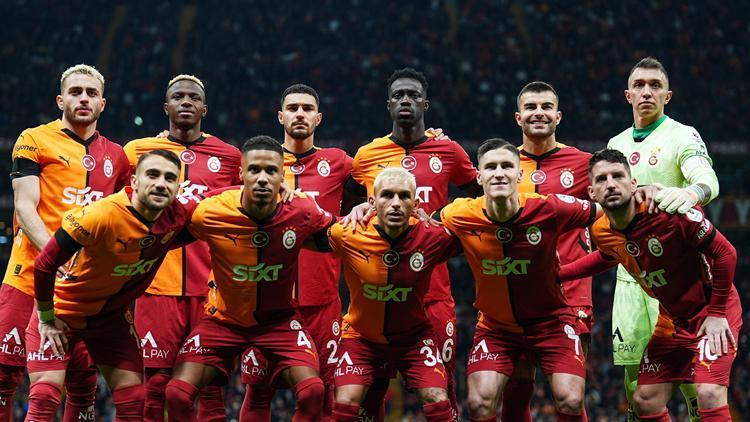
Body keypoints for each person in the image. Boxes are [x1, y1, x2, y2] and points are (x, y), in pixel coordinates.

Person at [165, 136, 335, 422]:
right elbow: (163, 236)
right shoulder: (211, 211)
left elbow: (341, 234)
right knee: (176, 394)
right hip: (222, 321)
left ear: (282, 177)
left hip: (279, 321)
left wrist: (362, 211)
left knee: (313, 391)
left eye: (271, 171)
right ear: (241, 173)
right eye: (254, 170)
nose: (262, 178)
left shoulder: (302, 211)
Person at [562, 148, 740, 421]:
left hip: (712, 310)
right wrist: (558, 274)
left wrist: (717, 313)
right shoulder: (601, 231)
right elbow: (608, 256)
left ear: (633, 183)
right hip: (672, 319)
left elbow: (726, 253)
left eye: (618, 176)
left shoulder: (669, 212)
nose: (611, 184)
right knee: (645, 399)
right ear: (592, 193)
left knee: (708, 393)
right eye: (601, 179)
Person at [343, 67, 479, 419]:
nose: (406, 100)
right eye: (399, 95)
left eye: (414, 95)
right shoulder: (366, 155)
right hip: (379, 290)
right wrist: (357, 207)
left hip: (433, 292)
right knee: (371, 393)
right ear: (389, 104)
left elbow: (481, 200)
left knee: (443, 390)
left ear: (425, 104)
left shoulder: (448, 150)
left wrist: (448, 216)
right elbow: (347, 212)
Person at [1, 64, 130, 422]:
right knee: (4, 377)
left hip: (83, 289)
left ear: (102, 103)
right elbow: (24, 206)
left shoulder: (118, 157)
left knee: (83, 383)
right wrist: (56, 258)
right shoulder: (34, 139)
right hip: (28, 277)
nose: (83, 98)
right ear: (61, 100)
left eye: (91, 93)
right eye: (75, 92)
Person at [438, 138, 599, 422]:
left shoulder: (549, 207)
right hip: (496, 327)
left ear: (520, 174)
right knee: (479, 403)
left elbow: (608, 211)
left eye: (506, 166)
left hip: (552, 322)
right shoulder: (459, 213)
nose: (499, 173)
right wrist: (364, 211)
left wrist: (649, 194)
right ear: (479, 176)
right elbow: (420, 227)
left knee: (571, 399)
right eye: (491, 167)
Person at [26, 150, 193, 421]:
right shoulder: (99, 215)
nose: (161, 183)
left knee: (135, 398)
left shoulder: (178, 217)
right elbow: (45, 264)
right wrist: (46, 318)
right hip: (64, 312)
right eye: (152, 175)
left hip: (112, 319)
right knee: (45, 396)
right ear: (134, 181)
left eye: (170, 178)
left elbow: (221, 201)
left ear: (178, 187)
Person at [607, 57, 720, 421]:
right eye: (639, 85)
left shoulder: (682, 135)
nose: (647, 92)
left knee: (688, 378)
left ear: (667, 96)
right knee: (634, 382)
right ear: (627, 95)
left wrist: (691, 193)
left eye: (655, 85)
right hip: (630, 276)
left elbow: (707, 179)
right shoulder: (616, 143)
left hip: (675, 277)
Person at [123, 74, 241, 421]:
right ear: (166, 107)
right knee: (155, 385)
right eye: (178, 97)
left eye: (193, 97)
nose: (186, 102)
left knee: (210, 387)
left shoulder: (230, 157)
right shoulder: (138, 152)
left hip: (212, 290)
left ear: (205, 108)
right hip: (156, 287)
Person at [240, 84, 352, 421]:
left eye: (307, 108)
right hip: (269, 302)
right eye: (292, 108)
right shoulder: (260, 163)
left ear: (318, 118)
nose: (299, 114)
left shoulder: (339, 162)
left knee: (324, 392)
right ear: (280, 116)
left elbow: (384, 177)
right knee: (258, 391)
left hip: (322, 303)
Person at [327, 167, 457, 421]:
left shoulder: (434, 236)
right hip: (361, 338)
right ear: (372, 202)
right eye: (387, 195)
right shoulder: (346, 233)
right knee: (345, 403)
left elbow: (480, 237)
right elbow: (306, 231)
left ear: (416, 204)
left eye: (404, 196)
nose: (396, 203)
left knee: (437, 398)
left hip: (414, 339)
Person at [502, 81, 594, 421]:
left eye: (545, 107)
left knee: (570, 398)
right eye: (530, 107)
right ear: (518, 117)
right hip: (516, 294)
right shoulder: (503, 165)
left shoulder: (584, 164)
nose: (538, 113)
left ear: (558, 116)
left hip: (570, 294)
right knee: (515, 393)